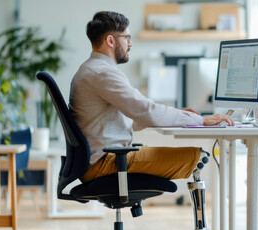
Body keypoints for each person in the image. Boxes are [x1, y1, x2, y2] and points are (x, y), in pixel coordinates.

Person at [69, 11, 234, 184]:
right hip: (106, 163)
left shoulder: (91, 69)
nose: (130, 44)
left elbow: (129, 118)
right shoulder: (102, 73)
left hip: (99, 161)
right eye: (127, 38)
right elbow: (146, 111)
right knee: (197, 156)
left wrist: (178, 116)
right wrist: (200, 120)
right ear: (110, 40)